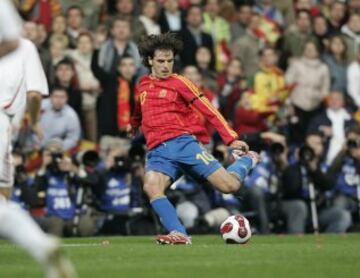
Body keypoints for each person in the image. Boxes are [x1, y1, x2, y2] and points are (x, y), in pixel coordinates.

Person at [130, 33, 260, 245]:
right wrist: (133, 124)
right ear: (150, 60)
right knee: (151, 186)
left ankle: (248, 160)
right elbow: (139, 107)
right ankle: (179, 233)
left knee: (229, 187)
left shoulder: (180, 82)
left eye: (169, 61)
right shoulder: (143, 85)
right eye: (161, 61)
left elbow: (208, 110)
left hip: (184, 144)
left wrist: (231, 139)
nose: (166, 66)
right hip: (157, 150)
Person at [0, 0, 76, 276]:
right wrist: (32, 122)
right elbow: (34, 95)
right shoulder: (25, 46)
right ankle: (42, 246)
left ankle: (41, 245)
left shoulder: (23, 45)